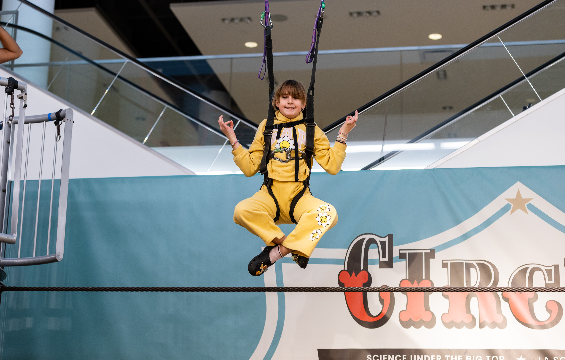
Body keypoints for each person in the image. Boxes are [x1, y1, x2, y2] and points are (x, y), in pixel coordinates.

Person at [218, 79, 358, 276]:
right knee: (241, 211)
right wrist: (232, 138)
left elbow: (332, 166)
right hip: (270, 195)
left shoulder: (311, 129)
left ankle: (276, 253)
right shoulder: (267, 126)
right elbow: (250, 168)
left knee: (329, 213)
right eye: (285, 97)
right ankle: (292, 246)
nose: (290, 101)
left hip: (299, 197)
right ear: (276, 102)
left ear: (304, 104)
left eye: (296, 97)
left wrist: (344, 133)